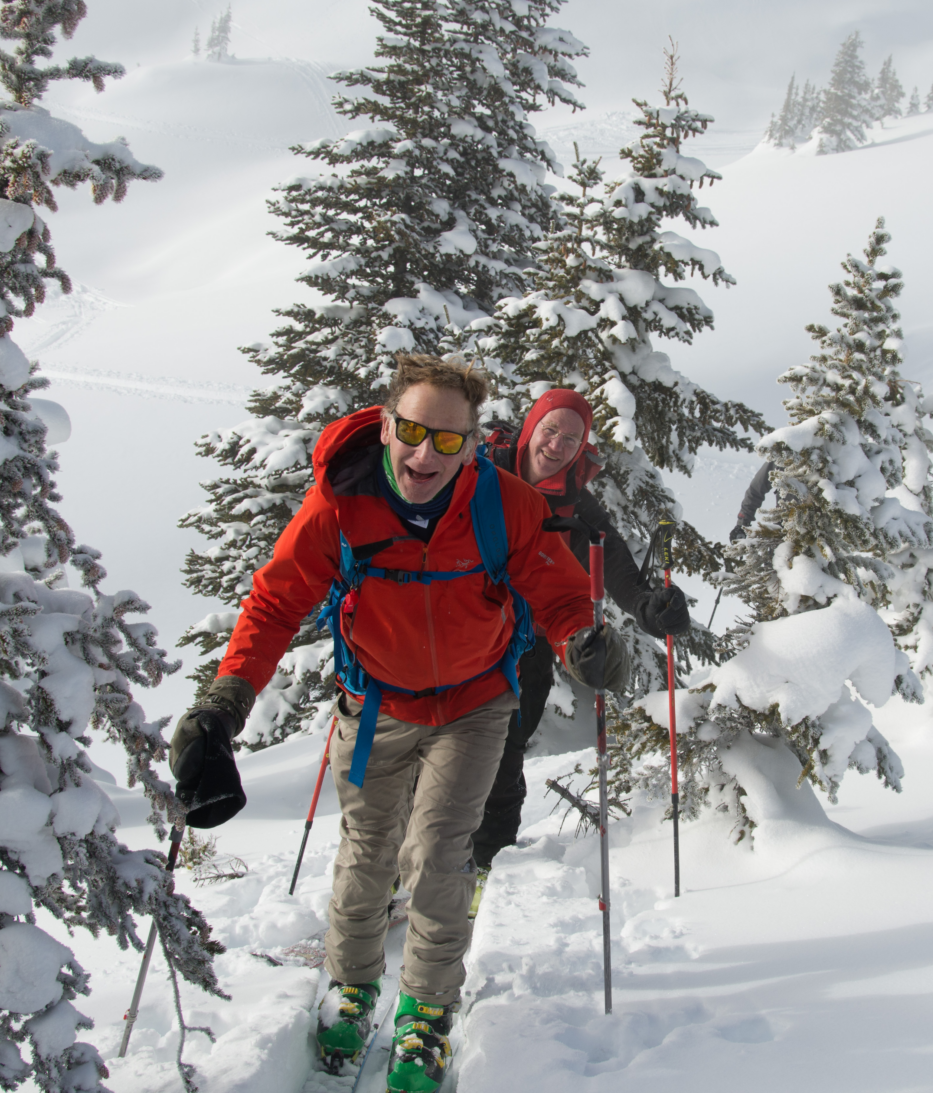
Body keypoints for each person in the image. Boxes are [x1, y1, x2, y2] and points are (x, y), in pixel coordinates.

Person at [166, 355, 629, 1092]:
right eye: (412, 431)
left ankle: (425, 1009)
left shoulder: (502, 504)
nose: (425, 453)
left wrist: (584, 641)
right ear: (386, 424)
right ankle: (352, 985)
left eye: (448, 440)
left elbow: (555, 585)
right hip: (376, 702)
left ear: (473, 444)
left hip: (475, 706)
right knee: (367, 849)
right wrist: (226, 701)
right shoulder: (340, 505)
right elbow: (276, 601)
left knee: (442, 851)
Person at [470, 389, 692, 871]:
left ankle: (482, 868)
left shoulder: (577, 502)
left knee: (504, 762)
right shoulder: (479, 471)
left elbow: (610, 557)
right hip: (462, 633)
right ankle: (406, 869)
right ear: (531, 428)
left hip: (527, 645)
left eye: (572, 437)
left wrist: (645, 606)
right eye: (550, 429)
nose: (557, 444)